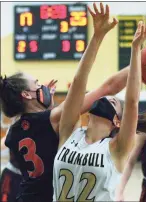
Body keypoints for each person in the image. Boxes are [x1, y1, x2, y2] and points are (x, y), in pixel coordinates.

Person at [0, 4, 132, 202]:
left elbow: (37, 132)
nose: (42, 86)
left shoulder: (14, 131)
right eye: (37, 84)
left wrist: (49, 106)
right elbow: (109, 87)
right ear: (27, 95)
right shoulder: (53, 118)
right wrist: (140, 62)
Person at [53, 4, 146, 201]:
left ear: (117, 122)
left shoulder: (118, 149)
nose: (106, 98)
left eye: (113, 101)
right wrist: (97, 37)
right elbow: (79, 82)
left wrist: (136, 49)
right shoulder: (69, 132)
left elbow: (131, 102)